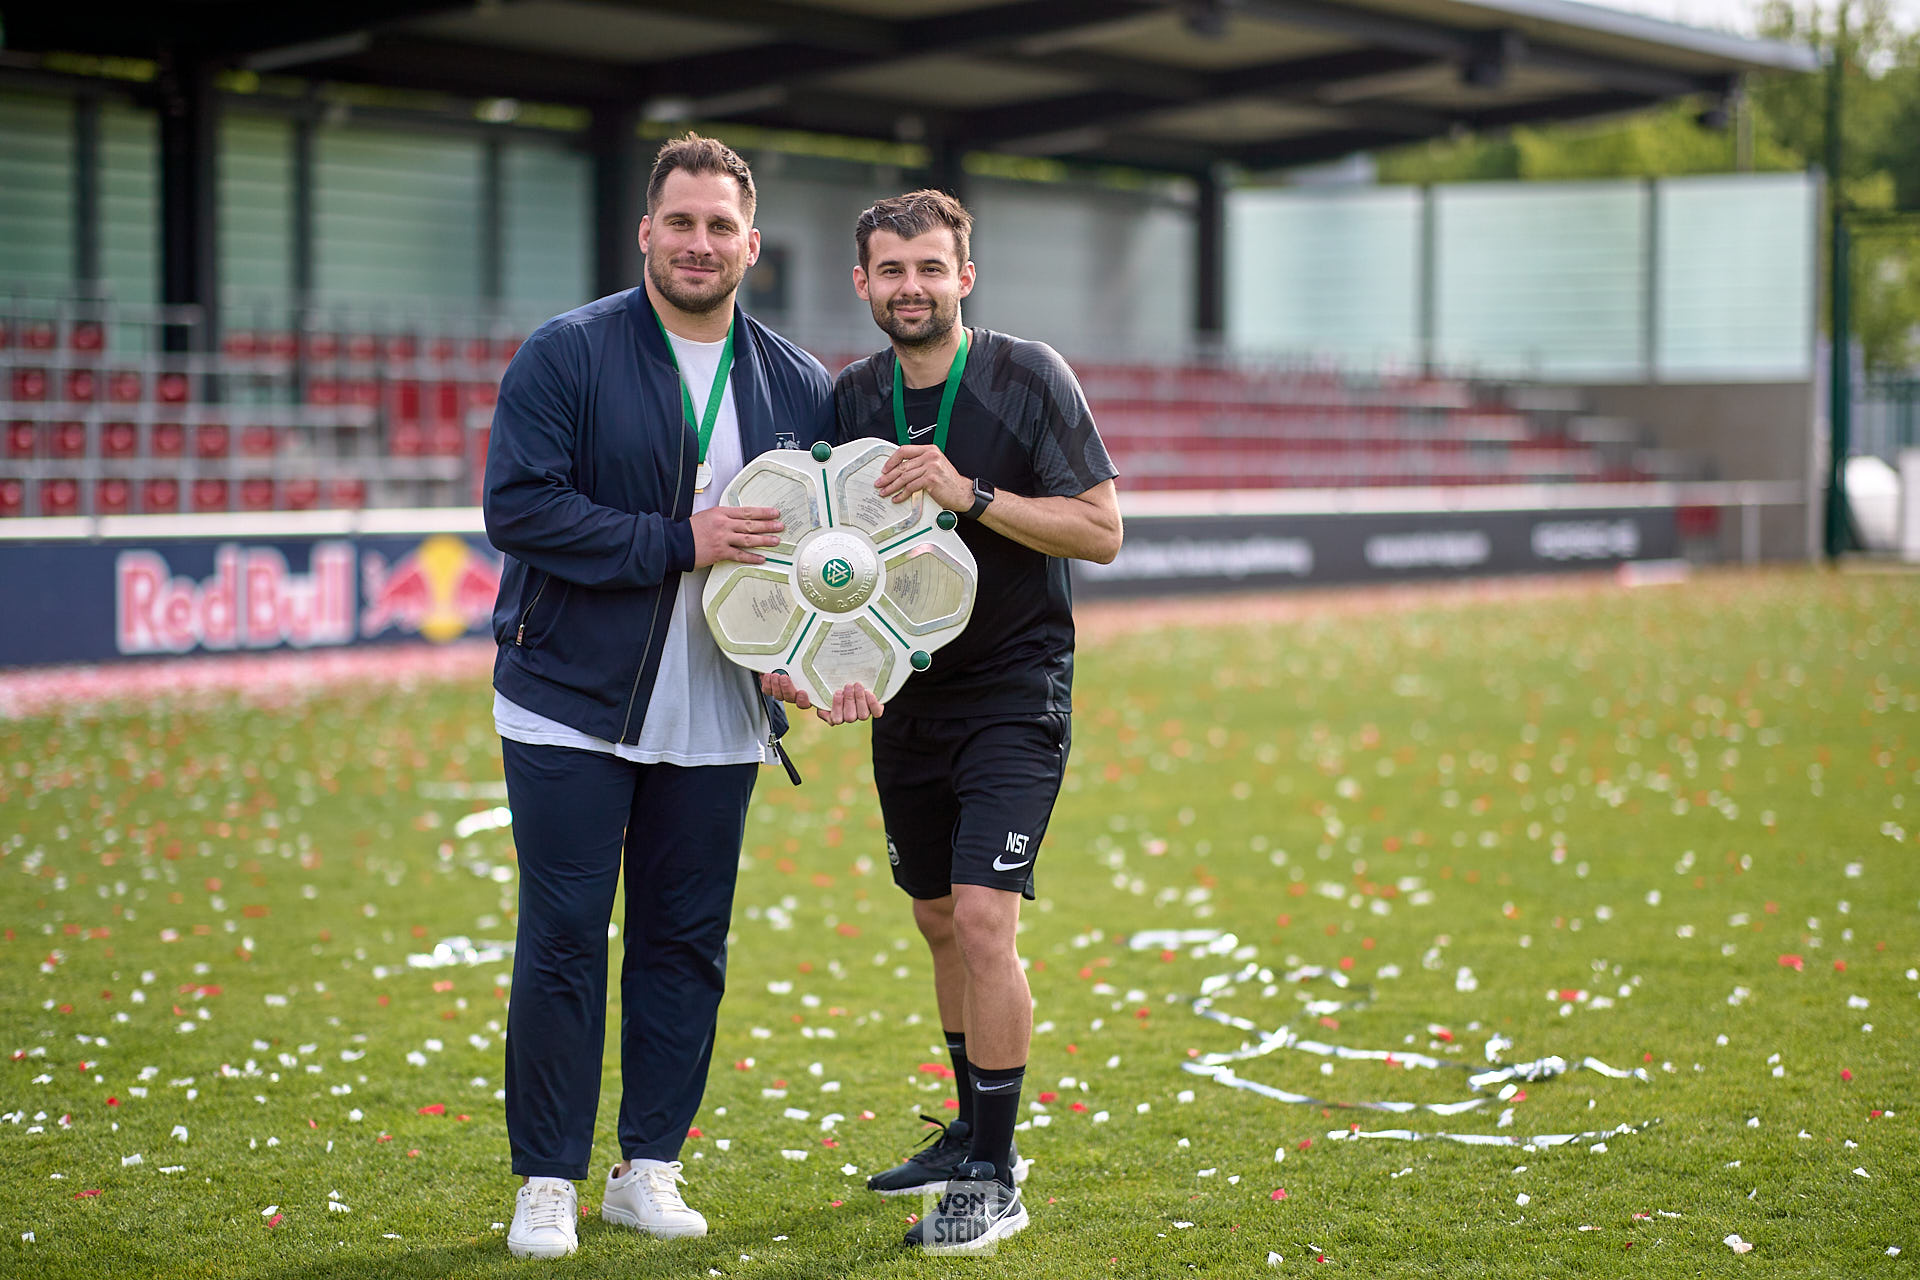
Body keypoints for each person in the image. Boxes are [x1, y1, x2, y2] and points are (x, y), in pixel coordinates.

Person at [483, 133, 832, 1260]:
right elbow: (519, 509)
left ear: (752, 244)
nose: (698, 242)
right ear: (646, 231)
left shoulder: (797, 381)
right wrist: (676, 539)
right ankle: (546, 1176)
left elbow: (820, 557)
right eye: (679, 222)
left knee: (686, 943)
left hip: (720, 712)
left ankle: (649, 1166)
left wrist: (805, 659)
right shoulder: (567, 352)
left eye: (719, 225)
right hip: (571, 701)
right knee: (565, 940)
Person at [768, 189, 1121, 1252]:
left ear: (963, 276)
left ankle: (996, 1171)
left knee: (982, 918)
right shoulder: (851, 396)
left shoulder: (1028, 375)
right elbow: (820, 554)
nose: (910, 286)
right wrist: (817, 665)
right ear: (865, 283)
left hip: (1015, 690)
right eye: (890, 270)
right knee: (932, 919)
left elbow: (1101, 530)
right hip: (908, 697)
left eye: (930, 268)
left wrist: (969, 492)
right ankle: (968, 1123)